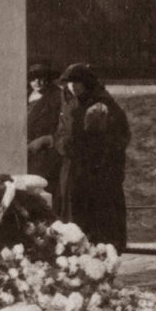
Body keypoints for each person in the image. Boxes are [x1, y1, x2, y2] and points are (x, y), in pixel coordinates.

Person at [54, 63, 130, 253]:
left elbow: (119, 137)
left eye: (77, 82)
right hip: (73, 171)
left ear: (87, 83)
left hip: (96, 172)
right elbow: (60, 132)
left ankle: (99, 262)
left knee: (98, 222)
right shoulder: (69, 103)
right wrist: (63, 145)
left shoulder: (103, 103)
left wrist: (94, 146)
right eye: (69, 83)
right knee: (73, 220)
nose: (73, 87)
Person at [26, 61, 62, 201]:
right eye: (33, 78)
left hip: (45, 153)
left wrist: (46, 139)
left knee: (41, 189)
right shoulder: (24, 96)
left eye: (42, 78)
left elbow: (64, 127)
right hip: (26, 150)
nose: (37, 82)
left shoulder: (57, 98)